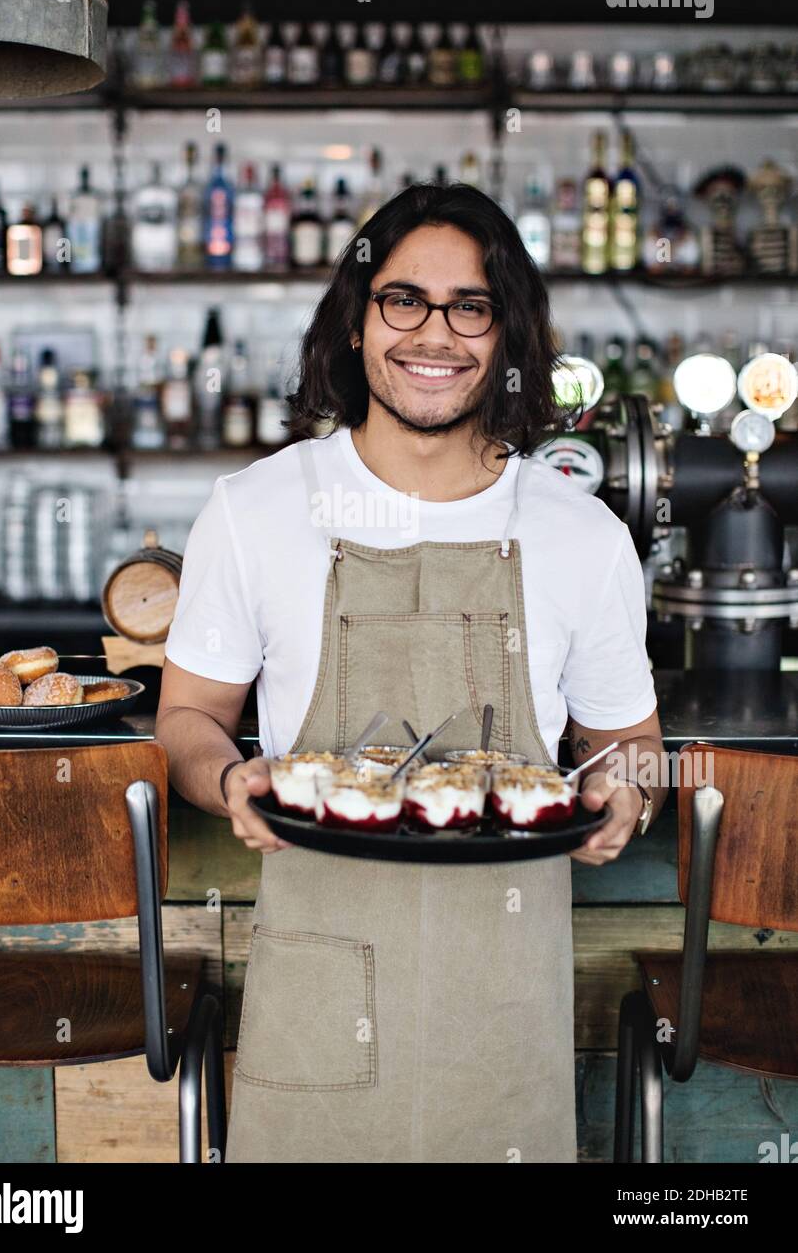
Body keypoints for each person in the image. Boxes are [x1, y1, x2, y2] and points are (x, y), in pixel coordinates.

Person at [156, 181, 666, 1163]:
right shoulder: (254, 509)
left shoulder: (578, 533)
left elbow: (629, 748)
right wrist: (227, 779)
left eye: (468, 306)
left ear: (505, 335)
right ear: (354, 319)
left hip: (504, 1012)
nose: (433, 333)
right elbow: (185, 717)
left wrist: (622, 796)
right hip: (319, 999)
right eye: (402, 299)